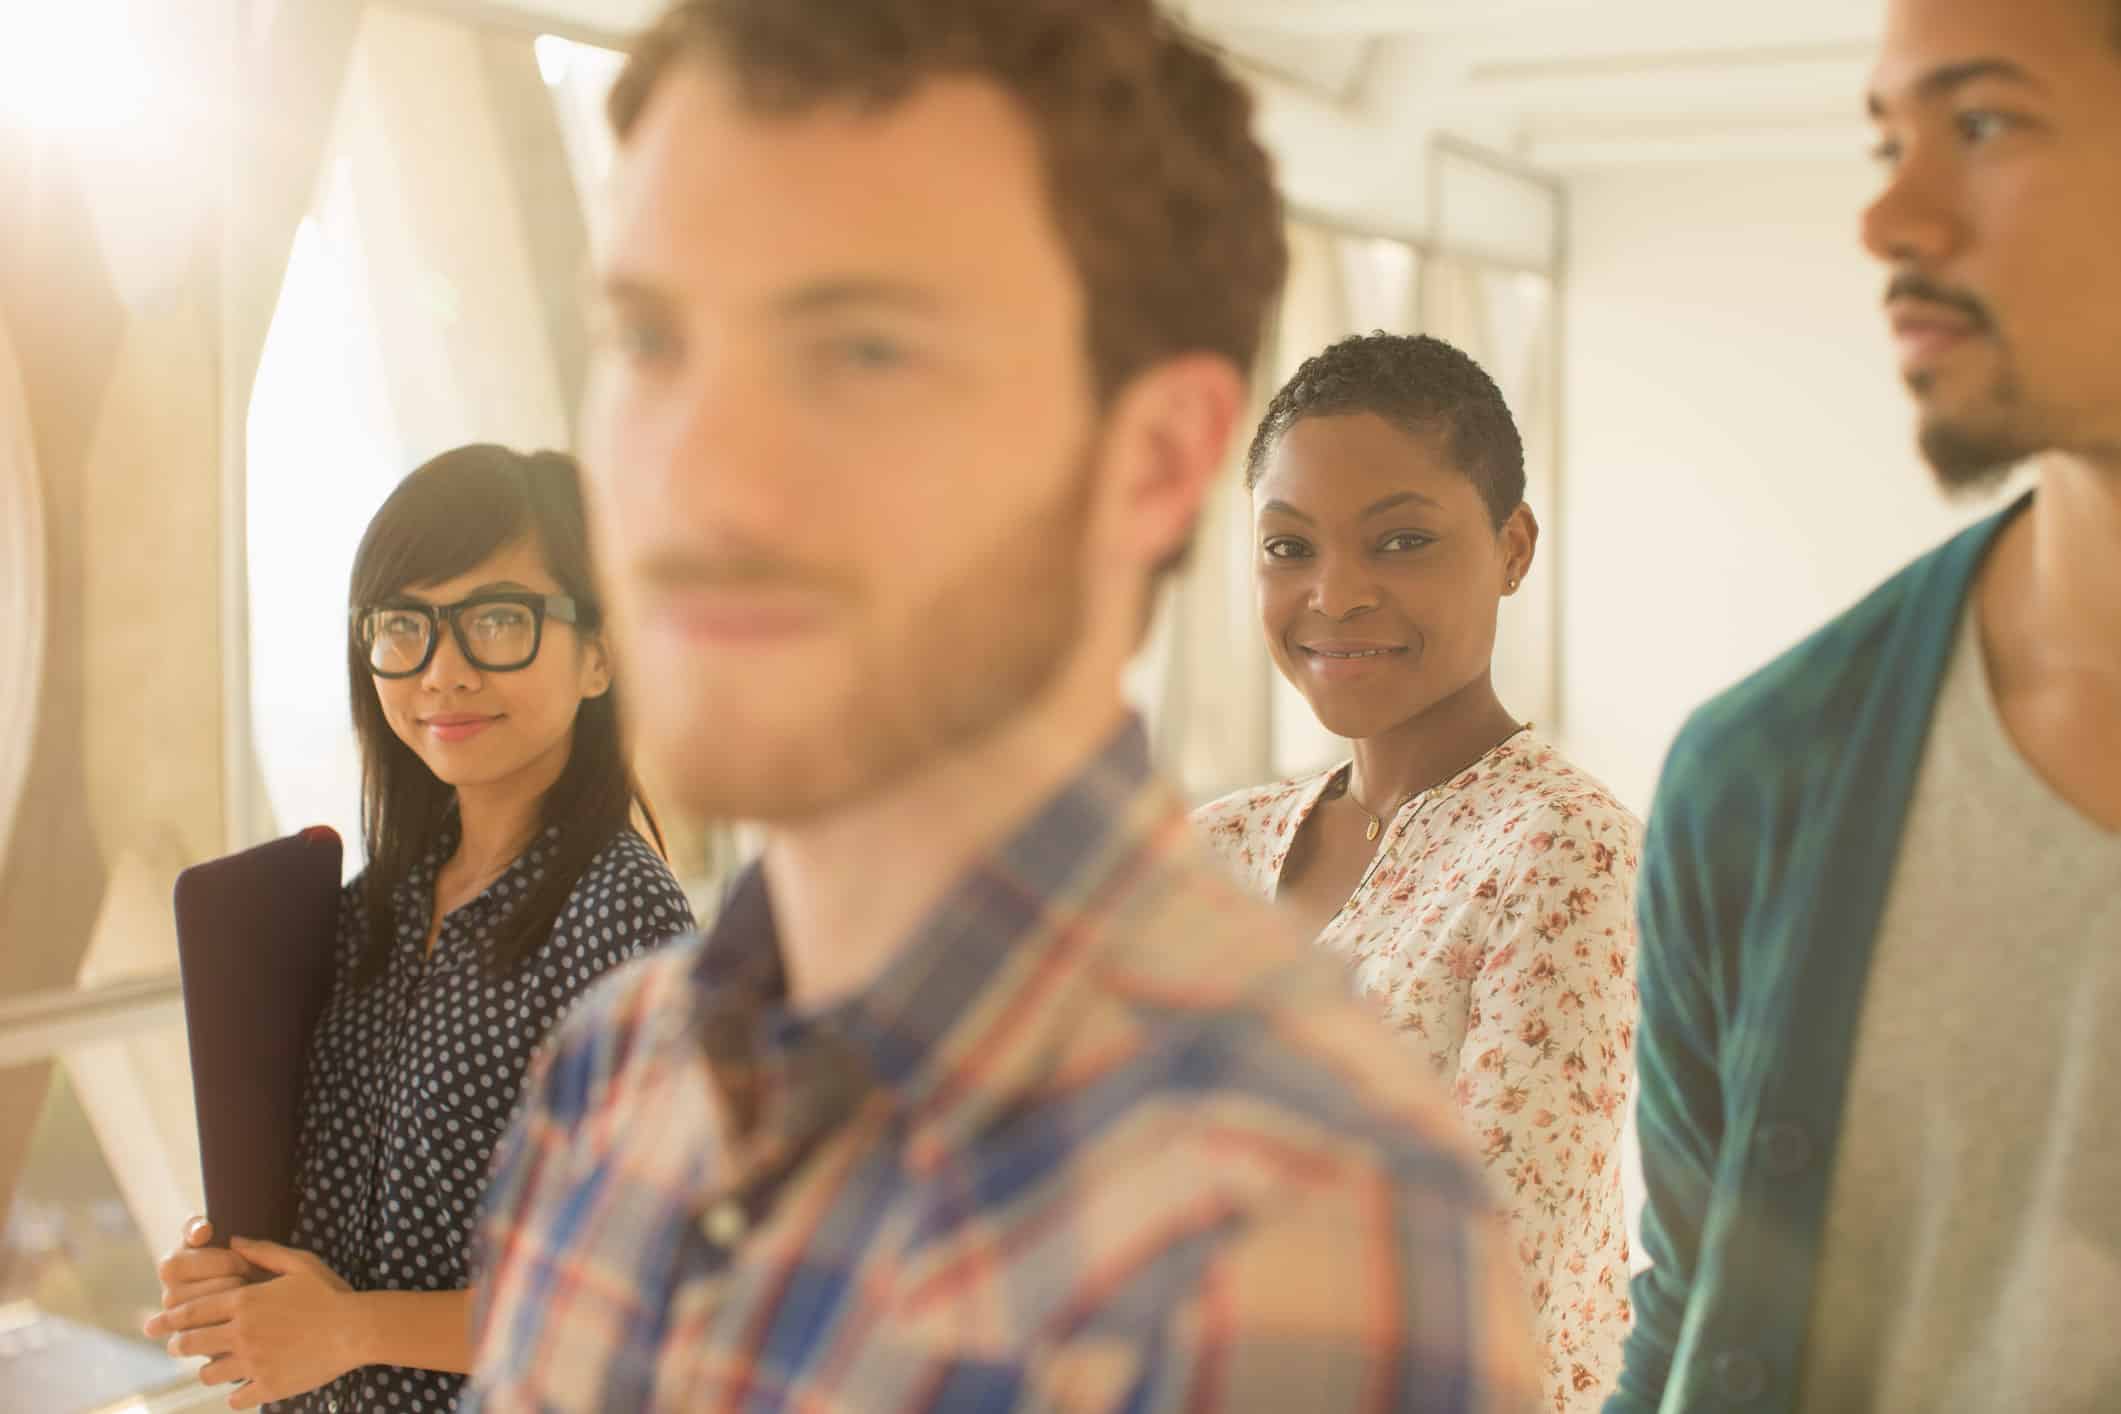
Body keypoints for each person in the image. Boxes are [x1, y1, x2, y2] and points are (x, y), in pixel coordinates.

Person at [463, 2, 1545, 1409]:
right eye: (650, 340)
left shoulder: (1285, 1232)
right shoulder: (605, 1078)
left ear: (1154, 462)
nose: (694, 470)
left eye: (860, 352)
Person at [1609, 0, 2121, 1410]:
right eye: (1887, 138)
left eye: (1983, 123)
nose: (1888, 216)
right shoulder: (1755, 776)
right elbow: (1683, 1303)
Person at [142, 446, 694, 1411]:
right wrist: (245, 1280)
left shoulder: (625, 919)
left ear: (600, 652)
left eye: (497, 621)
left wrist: (353, 1327)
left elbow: (651, 1298)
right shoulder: (369, 913)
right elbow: (352, 1218)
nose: (443, 671)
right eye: (405, 626)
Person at [1194, 332, 1639, 1413]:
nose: (1336, 596)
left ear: (1514, 547)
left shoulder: (1566, 849)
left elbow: (1482, 1288)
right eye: (1289, 547)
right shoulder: (1213, 849)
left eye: (1400, 540)